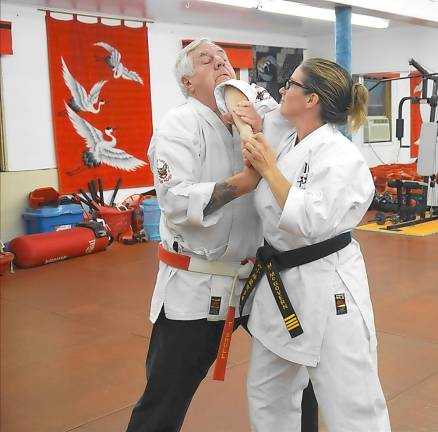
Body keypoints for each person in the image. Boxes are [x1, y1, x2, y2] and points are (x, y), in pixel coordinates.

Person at [125, 38, 281, 432]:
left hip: (253, 279)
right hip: (198, 285)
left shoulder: (246, 121)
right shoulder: (180, 124)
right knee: (165, 397)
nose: (221, 64)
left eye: (225, 59)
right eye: (207, 61)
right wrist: (246, 182)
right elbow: (176, 199)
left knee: (299, 364)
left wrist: (259, 126)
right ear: (187, 81)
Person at [236, 58, 392, 431]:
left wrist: (270, 169)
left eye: (290, 84)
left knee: (351, 400)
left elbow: (311, 221)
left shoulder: (342, 158)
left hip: (327, 285)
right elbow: (251, 105)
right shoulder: (289, 137)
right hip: (280, 286)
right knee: (267, 393)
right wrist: (241, 112)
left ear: (311, 100)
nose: (282, 91)